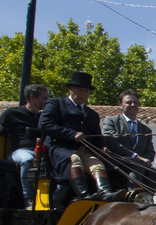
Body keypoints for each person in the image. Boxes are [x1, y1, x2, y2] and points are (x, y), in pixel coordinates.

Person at [39, 71, 119, 203]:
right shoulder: (56, 104)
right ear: (71, 89)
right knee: (74, 160)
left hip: (84, 150)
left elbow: (97, 136)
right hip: (60, 148)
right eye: (80, 90)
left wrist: (102, 147)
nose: (83, 94)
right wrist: (72, 134)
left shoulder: (92, 114)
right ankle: (84, 195)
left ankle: (105, 193)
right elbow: (45, 125)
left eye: (86, 91)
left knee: (96, 164)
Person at [0, 84, 48, 209]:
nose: (46, 101)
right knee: (27, 159)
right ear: (32, 97)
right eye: (44, 98)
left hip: (42, 150)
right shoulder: (12, 113)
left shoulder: (45, 116)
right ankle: (29, 198)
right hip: (21, 151)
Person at [102, 90, 156, 196]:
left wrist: (145, 160)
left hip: (139, 166)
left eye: (135, 103)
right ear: (120, 105)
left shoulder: (145, 130)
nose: (133, 105)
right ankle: (133, 197)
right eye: (129, 102)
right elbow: (113, 144)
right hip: (117, 163)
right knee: (138, 163)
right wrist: (137, 157)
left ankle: (145, 198)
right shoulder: (111, 121)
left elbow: (150, 152)